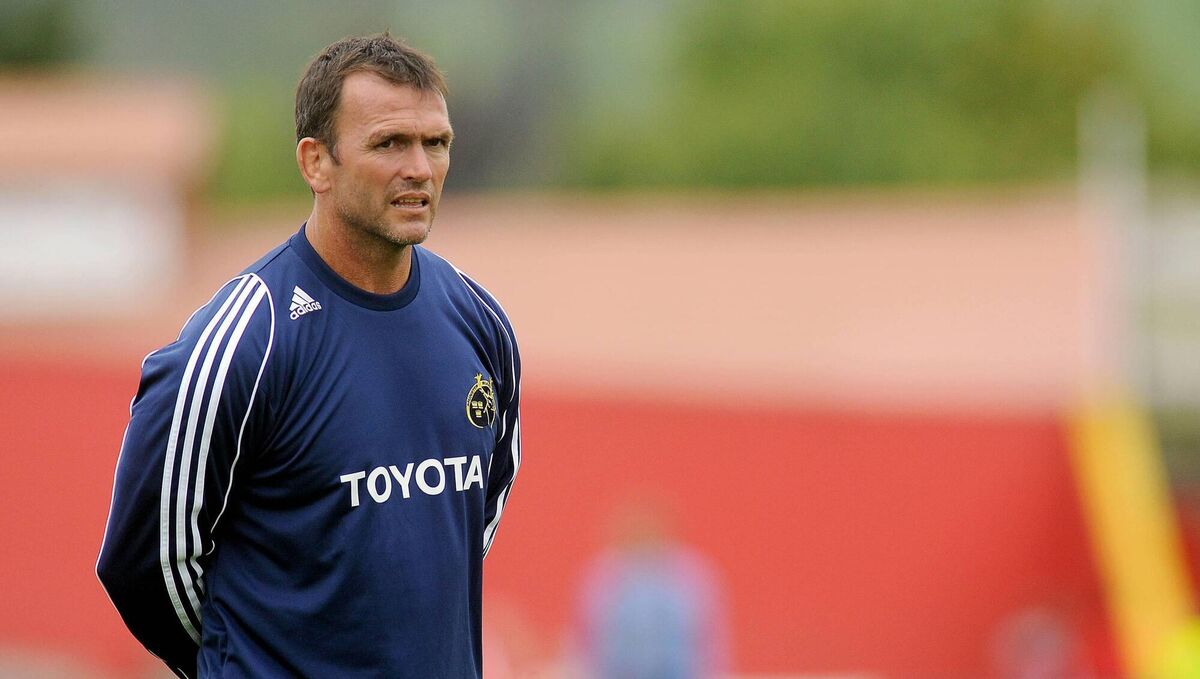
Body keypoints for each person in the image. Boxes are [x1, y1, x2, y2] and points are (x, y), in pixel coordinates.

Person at [96, 33, 521, 678]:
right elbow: (144, 563)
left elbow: (471, 522)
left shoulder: (478, 322)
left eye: (436, 143)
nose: (420, 168)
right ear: (315, 162)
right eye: (388, 144)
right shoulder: (246, 339)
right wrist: (247, 660)